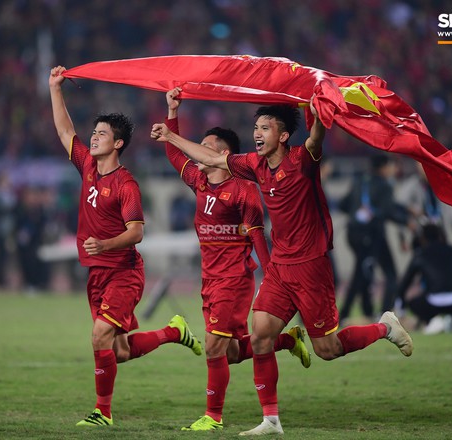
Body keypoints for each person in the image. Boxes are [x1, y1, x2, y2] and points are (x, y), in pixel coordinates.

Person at [151, 98, 413, 436]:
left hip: (311, 267)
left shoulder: (303, 160)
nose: (257, 134)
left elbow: (316, 138)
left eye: (265, 128)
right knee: (260, 336)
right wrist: (171, 135)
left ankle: (385, 327)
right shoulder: (254, 166)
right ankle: (271, 420)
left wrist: (317, 112)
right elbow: (212, 158)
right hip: (280, 267)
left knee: (327, 349)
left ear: (284, 135)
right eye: (255, 128)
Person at [49, 66, 204, 428]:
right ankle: (173, 331)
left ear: (117, 143)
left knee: (99, 335)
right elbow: (63, 129)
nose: (93, 137)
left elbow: (136, 232)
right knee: (116, 350)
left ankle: (102, 413)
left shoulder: (126, 185)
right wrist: (55, 88)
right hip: (98, 274)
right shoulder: (86, 165)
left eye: (101, 134)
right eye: (94, 132)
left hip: (124, 272)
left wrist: (104, 244)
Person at [163, 88, 310, 431]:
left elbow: (258, 235)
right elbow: (173, 154)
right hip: (209, 280)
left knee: (213, 346)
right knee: (228, 352)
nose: (197, 151)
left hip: (235, 279)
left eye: (206, 146)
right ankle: (288, 340)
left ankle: (213, 417)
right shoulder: (199, 181)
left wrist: (273, 275)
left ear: (223, 154)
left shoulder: (244, 191)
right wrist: (172, 111)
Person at [338, 154, 411, 321]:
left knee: (363, 271)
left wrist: (356, 214)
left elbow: (343, 204)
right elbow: (389, 211)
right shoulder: (385, 185)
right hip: (372, 236)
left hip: (353, 234)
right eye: (391, 166)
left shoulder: (359, 181)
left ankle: (365, 310)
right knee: (388, 274)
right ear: (384, 167)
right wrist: (407, 221)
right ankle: (381, 313)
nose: (393, 170)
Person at [397, 224, 452, 334]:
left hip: (435, 303)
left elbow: (405, 283)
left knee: (413, 302)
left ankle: (433, 320)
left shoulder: (421, 254)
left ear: (423, 238)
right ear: (440, 236)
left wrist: (401, 307)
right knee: (446, 298)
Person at [399, 161, 452, 250]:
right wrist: (402, 238)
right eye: (420, 166)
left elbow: (449, 211)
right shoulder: (412, 186)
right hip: (422, 233)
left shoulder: (440, 185)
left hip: (440, 230)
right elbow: (400, 206)